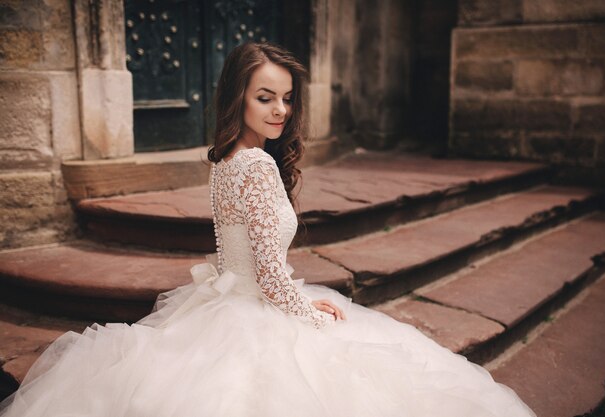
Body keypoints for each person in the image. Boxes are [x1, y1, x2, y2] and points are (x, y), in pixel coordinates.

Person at [0, 42, 537, 416]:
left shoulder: (226, 158)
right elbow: (269, 274)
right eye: (265, 97)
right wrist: (309, 311)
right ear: (239, 95)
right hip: (256, 305)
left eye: (286, 97)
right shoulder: (255, 166)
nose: (281, 109)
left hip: (225, 300)